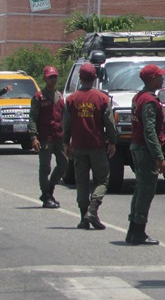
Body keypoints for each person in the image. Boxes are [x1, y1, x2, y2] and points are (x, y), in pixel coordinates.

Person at [63, 63, 117, 230]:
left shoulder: (71, 99)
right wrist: (112, 141)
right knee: (102, 180)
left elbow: (66, 124)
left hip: (78, 146)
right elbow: (109, 123)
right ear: (95, 78)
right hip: (97, 145)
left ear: (80, 78)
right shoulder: (101, 98)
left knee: (82, 183)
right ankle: (92, 210)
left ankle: (84, 217)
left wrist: (66, 142)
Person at [126, 64, 165, 245]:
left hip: (137, 147)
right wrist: (159, 156)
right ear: (152, 79)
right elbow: (149, 131)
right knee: (146, 191)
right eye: (160, 76)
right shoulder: (149, 101)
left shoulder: (138, 97)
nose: (163, 78)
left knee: (140, 189)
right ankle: (138, 231)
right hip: (145, 150)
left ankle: (133, 229)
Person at [28, 66, 68, 209]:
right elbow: (32, 118)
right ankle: (46, 195)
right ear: (45, 79)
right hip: (45, 137)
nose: (53, 79)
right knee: (45, 168)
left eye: (55, 76)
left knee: (64, 164)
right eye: (50, 77)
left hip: (58, 136)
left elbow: (64, 117)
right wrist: (33, 136)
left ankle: (49, 189)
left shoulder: (60, 96)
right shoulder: (39, 97)